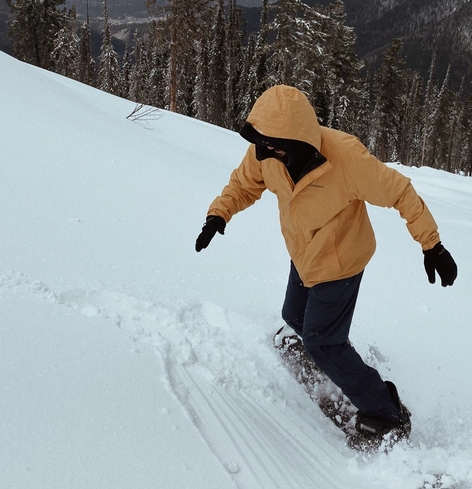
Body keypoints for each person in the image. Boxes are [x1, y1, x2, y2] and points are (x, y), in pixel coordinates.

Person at [195, 84, 457, 445]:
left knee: (322, 343)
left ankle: (387, 412)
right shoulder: (267, 151)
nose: (261, 150)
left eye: (270, 143)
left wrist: (433, 245)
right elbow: (243, 185)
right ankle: (331, 349)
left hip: (341, 260)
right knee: (294, 317)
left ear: (297, 139)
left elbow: (400, 192)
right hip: (303, 254)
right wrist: (218, 215)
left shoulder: (346, 158)